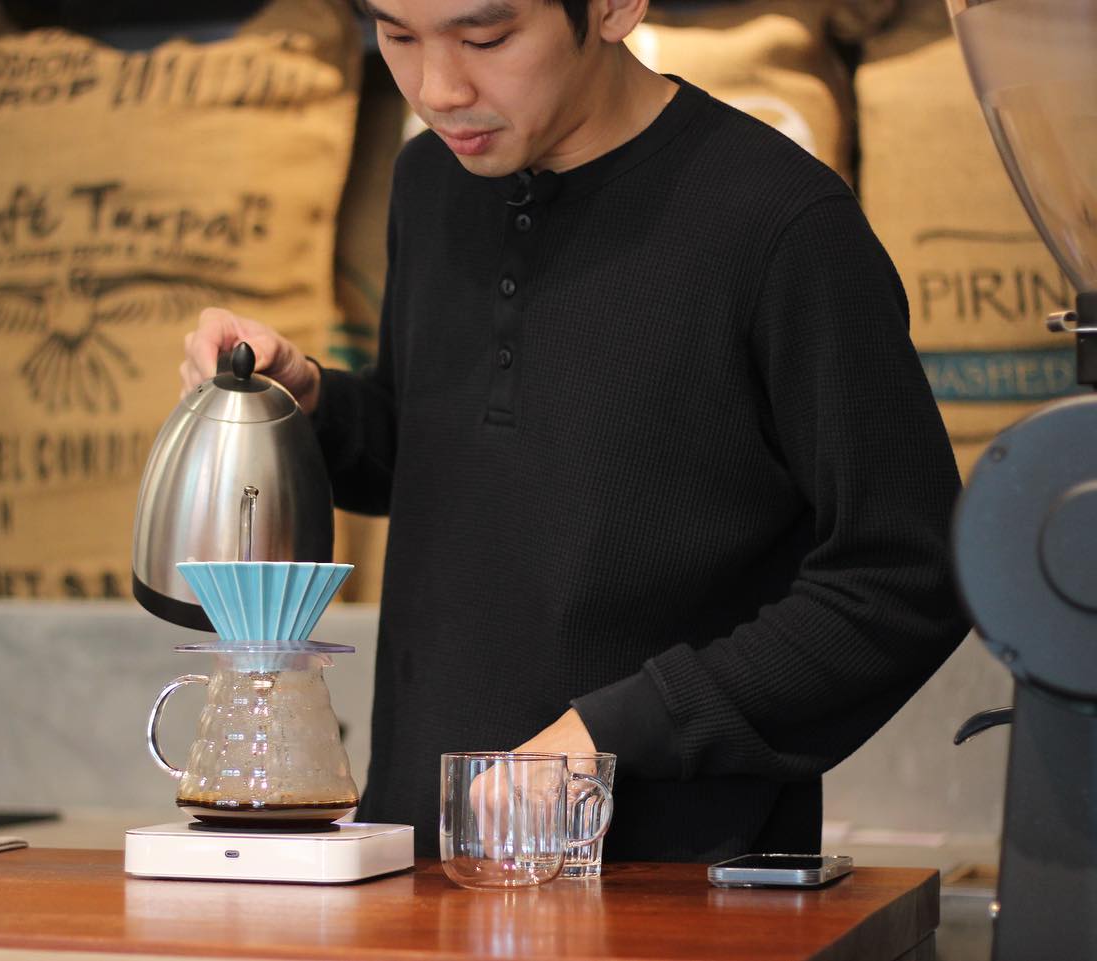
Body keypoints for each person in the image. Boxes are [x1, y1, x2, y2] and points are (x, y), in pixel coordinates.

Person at [180, 0, 969, 861]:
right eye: (398, 36)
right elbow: (453, 458)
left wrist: (620, 729)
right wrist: (308, 402)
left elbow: (906, 574)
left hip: (674, 883)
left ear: (614, 7)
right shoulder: (431, 182)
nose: (438, 89)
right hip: (418, 859)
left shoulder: (782, 222)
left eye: (486, 38)